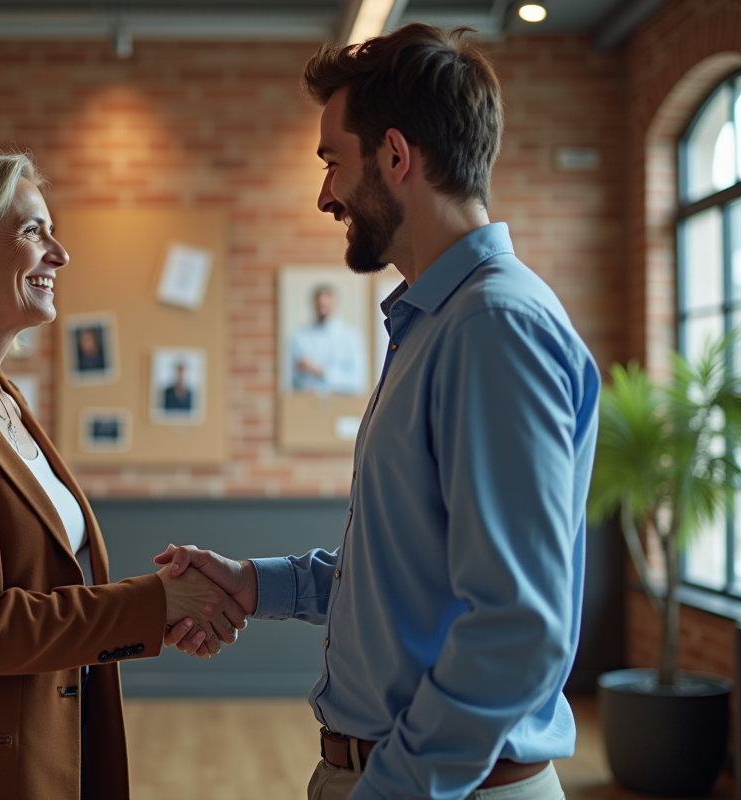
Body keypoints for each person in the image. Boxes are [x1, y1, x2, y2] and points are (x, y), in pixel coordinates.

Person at [160, 24, 600, 800]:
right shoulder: (438, 323)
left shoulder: (492, 328)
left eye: (333, 161)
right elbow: (412, 575)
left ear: (396, 157)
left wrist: (393, 788)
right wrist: (255, 584)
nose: (325, 194)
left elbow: (516, 624)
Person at [0, 151, 247, 800]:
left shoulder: (6, 403)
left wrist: (158, 617)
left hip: (52, 750)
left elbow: (50, 586)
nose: (60, 254)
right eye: (32, 231)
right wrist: (155, 603)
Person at [290, 285, 366, 394]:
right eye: (320, 305)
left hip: (343, 404)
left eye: (326, 305)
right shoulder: (299, 336)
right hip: (307, 404)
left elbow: (357, 382)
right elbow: (294, 382)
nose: (322, 308)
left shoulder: (351, 336)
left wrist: (319, 371)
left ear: (334, 304)